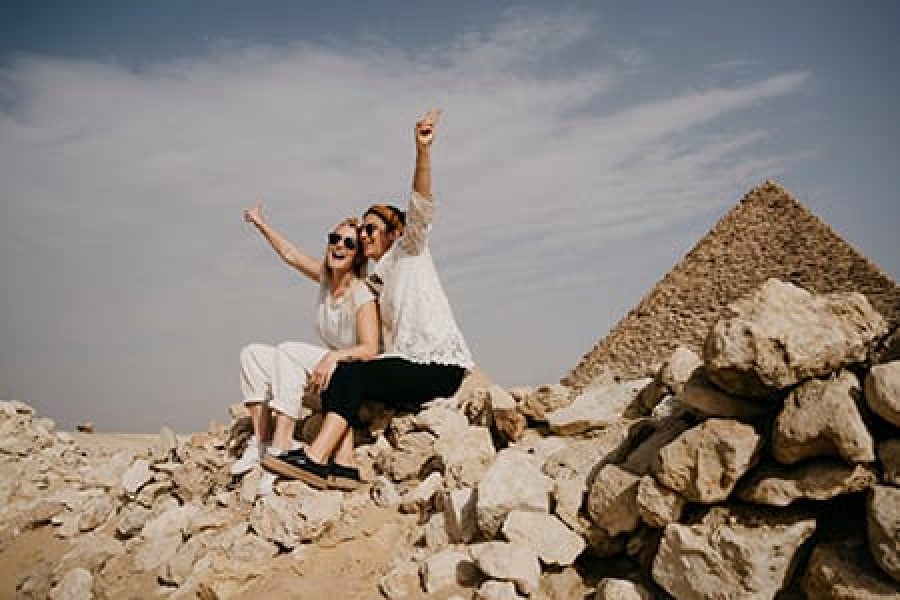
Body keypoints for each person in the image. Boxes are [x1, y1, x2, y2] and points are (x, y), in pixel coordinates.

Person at [263, 109, 474, 489]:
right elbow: (305, 263)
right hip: (405, 365)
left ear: (395, 232)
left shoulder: (411, 249)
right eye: (361, 232)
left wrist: (422, 151)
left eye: (370, 229)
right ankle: (343, 468)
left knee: (347, 369)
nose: (363, 237)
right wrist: (263, 226)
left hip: (437, 366)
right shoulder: (373, 280)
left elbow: (421, 201)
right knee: (341, 374)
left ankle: (314, 459)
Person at [234, 203, 380, 494]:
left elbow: (371, 348)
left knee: (288, 350)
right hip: (325, 373)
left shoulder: (361, 293)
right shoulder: (326, 280)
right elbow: (291, 255)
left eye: (349, 244)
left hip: (349, 379)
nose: (339, 246)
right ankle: (262, 443)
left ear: (357, 256)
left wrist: (335, 356)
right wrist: (261, 224)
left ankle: (282, 446)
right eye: (334, 239)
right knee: (252, 354)